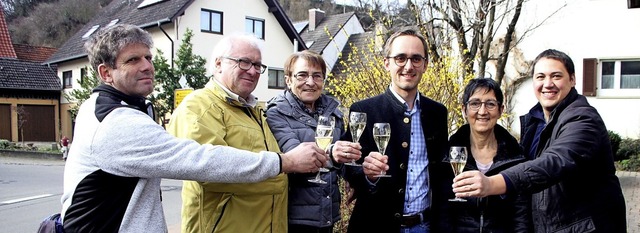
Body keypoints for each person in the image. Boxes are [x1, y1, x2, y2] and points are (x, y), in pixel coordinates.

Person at [60, 24, 325, 233]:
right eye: (132, 60)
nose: (147, 66)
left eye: (149, 57)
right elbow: (201, 162)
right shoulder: (118, 121)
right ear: (106, 73)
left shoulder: (255, 109)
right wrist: (285, 162)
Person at [452, 49, 626, 233]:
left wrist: (492, 184)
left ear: (572, 79)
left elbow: (553, 163)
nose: (548, 84)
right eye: (540, 77)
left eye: (556, 76)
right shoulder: (535, 123)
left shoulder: (582, 119)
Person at [167, 34, 326, 233]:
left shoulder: (255, 111)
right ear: (218, 64)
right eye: (243, 62)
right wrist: (286, 162)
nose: (252, 71)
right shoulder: (199, 106)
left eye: (258, 65)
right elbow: (207, 168)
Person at [342, 29, 450, 233]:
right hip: (376, 226)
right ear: (386, 63)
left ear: (425, 64)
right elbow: (348, 166)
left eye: (416, 59)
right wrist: (368, 175)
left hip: (425, 226)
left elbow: (440, 172)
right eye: (400, 58)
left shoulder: (437, 113)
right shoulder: (364, 110)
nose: (408, 66)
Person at [265, 50, 362, 233]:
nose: (310, 82)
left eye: (317, 76)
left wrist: (354, 176)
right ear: (288, 80)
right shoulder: (276, 113)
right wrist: (332, 153)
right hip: (292, 218)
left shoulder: (333, 113)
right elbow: (295, 155)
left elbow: (342, 161)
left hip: (327, 215)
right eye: (302, 75)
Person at [446, 78, 530, 232]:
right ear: (464, 110)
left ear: (500, 110)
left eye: (490, 104)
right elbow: (442, 215)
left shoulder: (516, 158)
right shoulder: (447, 157)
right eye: (475, 103)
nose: (482, 111)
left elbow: (521, 216)